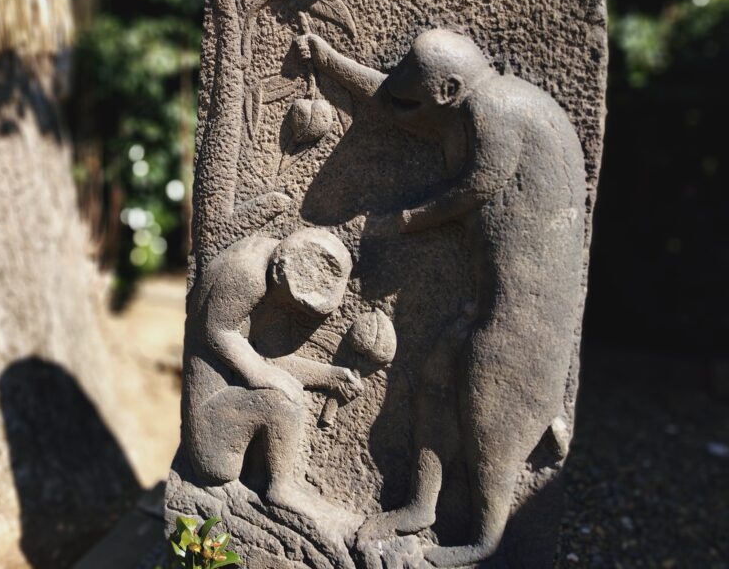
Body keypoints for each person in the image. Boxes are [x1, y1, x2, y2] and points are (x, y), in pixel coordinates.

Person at [301, 29, 588, 567]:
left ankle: (485, 540)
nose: (404, 102)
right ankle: (421, 506)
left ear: (450, 88)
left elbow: (481, 183)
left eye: (420, 92)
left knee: (489, 413)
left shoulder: (493, 106)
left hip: (523, 315)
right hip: (486, 302)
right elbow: (391, 99)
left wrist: (404, 220)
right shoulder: (466, 101)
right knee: (436, 380)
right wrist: (330, 61)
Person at [184, 227, 364, 523]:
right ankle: (281, 488)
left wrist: (329, 376)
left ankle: (281, 482)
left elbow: (263, 361)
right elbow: (219, 333)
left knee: (281, 388)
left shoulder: (265, 263)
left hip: (225, 418)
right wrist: (273, 381)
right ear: (283, 274)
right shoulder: (246, 275)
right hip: (214, 448)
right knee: (282, 396)